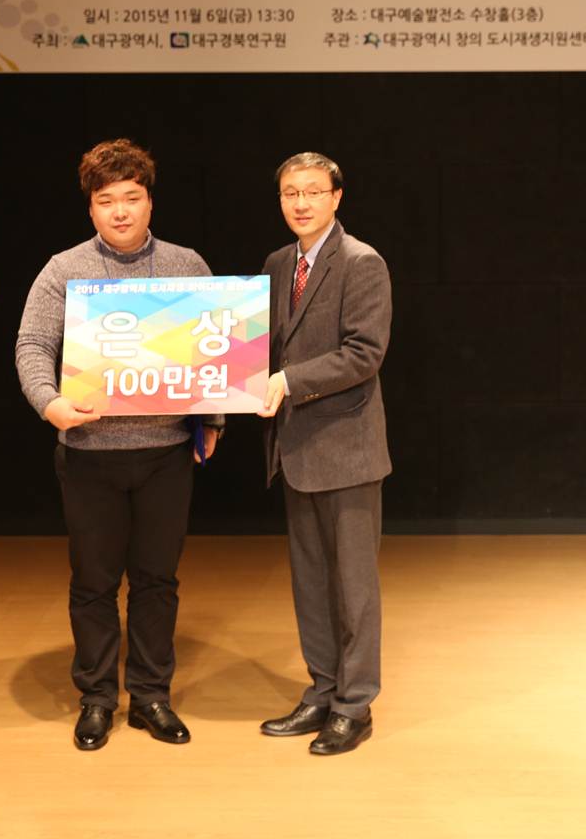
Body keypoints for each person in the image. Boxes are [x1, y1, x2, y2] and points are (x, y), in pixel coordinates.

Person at [15, 138, 222, 752]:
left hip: (165, 454)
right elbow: (32, 346)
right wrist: (49, 403)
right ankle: (98, 697)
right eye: (107, 200)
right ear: (91, 207)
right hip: (88, 455)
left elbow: (218, 348)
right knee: (93, 583)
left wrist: (213, 417)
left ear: (150, 200)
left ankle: (152, 695)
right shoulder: (64, 268)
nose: (121, 211)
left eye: (132, 197)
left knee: (158, 581)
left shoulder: (187, 265)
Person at [256, 151, 391, 756]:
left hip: (347, 449)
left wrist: (288, 381)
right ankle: (322, 689)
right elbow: (262, 350)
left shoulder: (362, 262)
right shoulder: (277, 264)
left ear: (337, 197)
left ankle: (354, 705)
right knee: (310, 583)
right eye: (291, 193)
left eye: (313, 191)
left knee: (353, 587)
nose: (301, 203)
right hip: (294, 448)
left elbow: (364, 353)